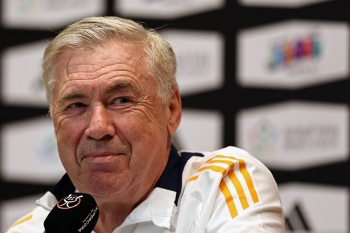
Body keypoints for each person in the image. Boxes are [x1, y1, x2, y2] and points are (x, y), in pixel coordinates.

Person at [6, 16, 285, 233]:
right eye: (76, 105)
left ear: (171, 109)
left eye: (121, 100)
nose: (98, 127)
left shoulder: (222, 185)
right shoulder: (32, 228)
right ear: (55, 121)